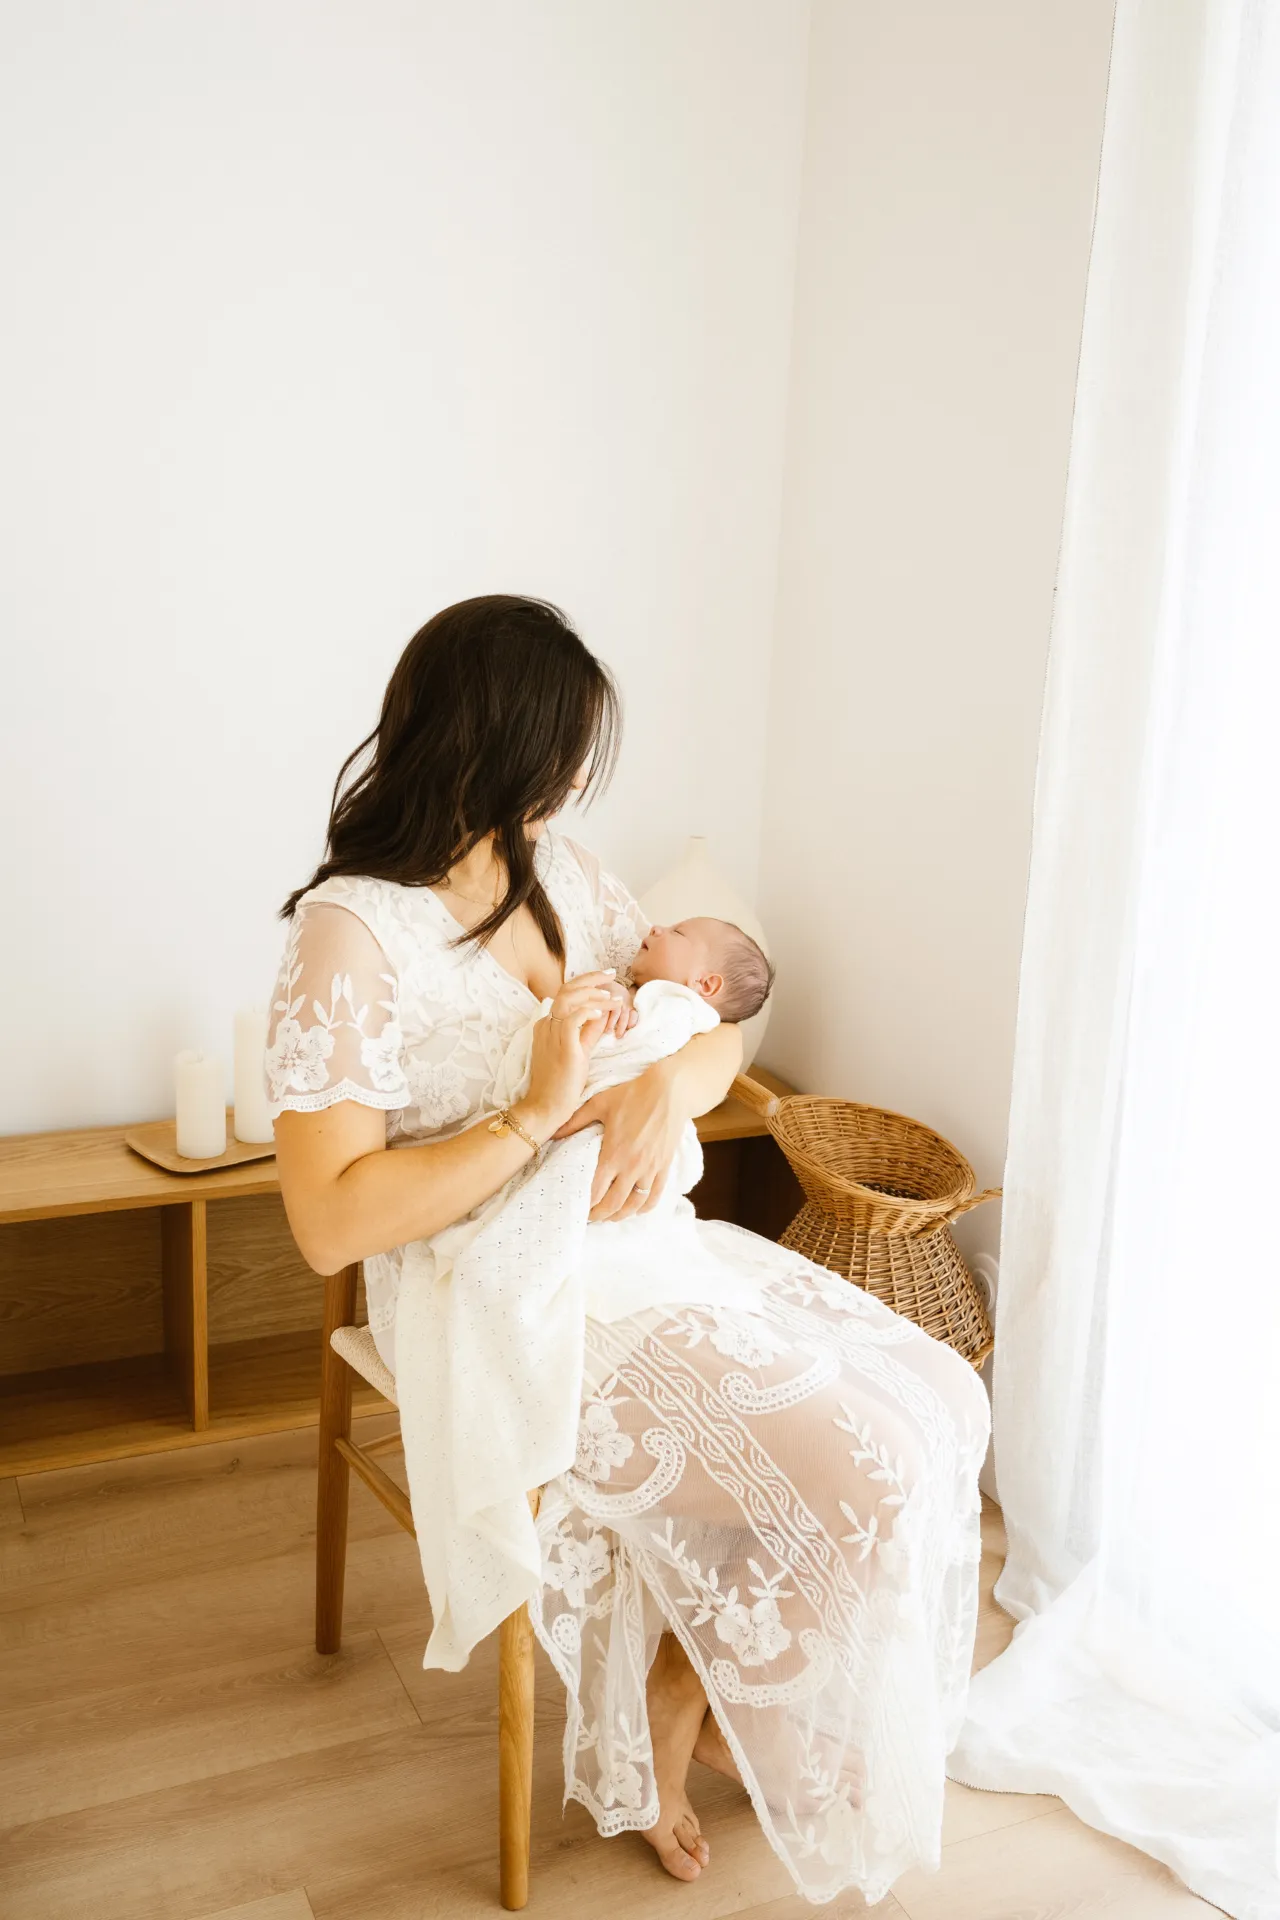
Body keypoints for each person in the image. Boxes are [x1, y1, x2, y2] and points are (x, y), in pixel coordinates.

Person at [267, 594, 990, 1905]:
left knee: (934, 1401)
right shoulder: (354, 938)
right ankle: (674, 1707)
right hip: (480, 1272)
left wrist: (662, 1092)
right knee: (840, 1455)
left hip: (635, 1238)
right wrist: (536, 1114)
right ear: (490, 746)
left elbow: (698, 1019)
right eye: (564, 754)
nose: (579, 782)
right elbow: (330, 1220)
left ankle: (715, 1681)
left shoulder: (572, 877)